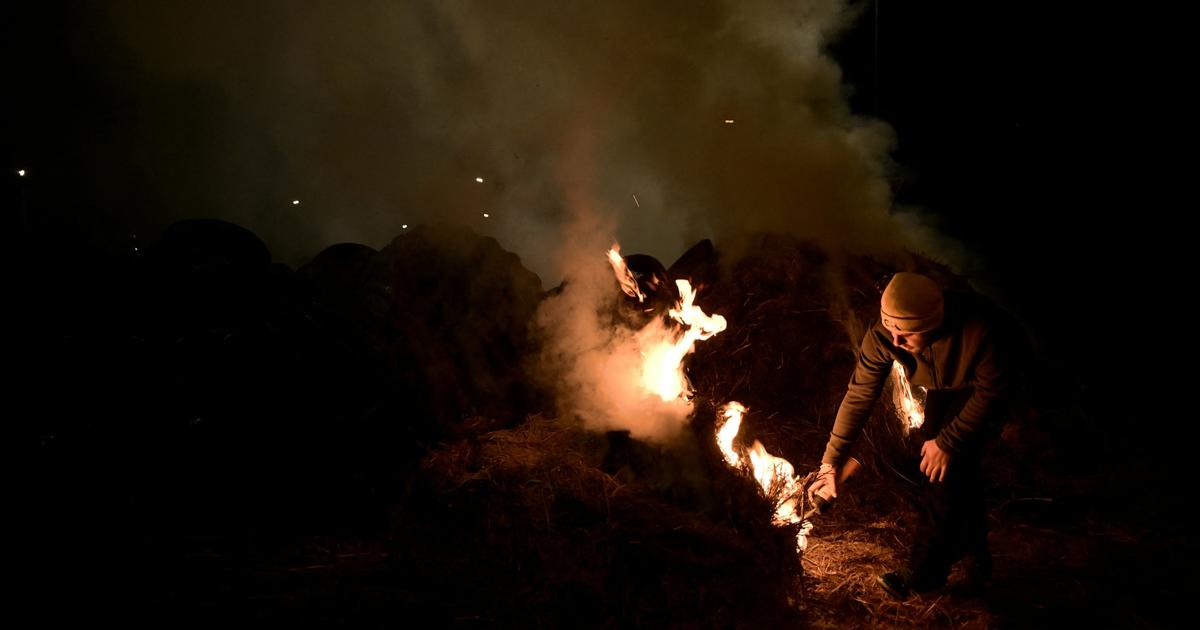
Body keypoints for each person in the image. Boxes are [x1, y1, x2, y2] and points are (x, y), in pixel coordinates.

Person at [808, 271, 1023, 599]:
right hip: (947, 384)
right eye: (890, 328)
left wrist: (949, 442)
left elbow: (992, 392)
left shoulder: (981, 329)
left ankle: (925, 574)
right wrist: (830, 462)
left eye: (906, 334)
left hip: (994, 383)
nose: (896, 342)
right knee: (949, 467)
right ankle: (977, 556)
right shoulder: (883, 335)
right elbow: (859, 395)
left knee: (945, 469)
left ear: (934, 323)